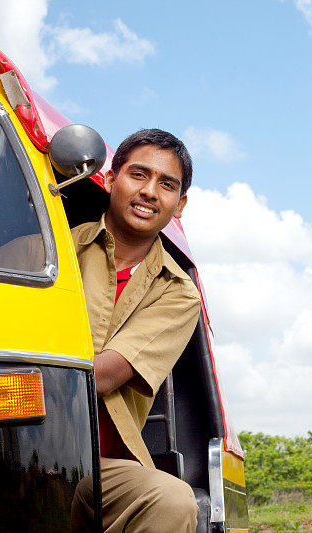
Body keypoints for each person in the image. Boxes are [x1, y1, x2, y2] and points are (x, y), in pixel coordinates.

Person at [70, 129, 201, 532]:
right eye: (138, 174)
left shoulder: (179, 294)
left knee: (172, 499)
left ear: (178, 206)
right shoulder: (49, 250)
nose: (149, 192)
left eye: (166, 184)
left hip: (96, 471)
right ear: (110, 180)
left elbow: (105, 373)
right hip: (5, 439)